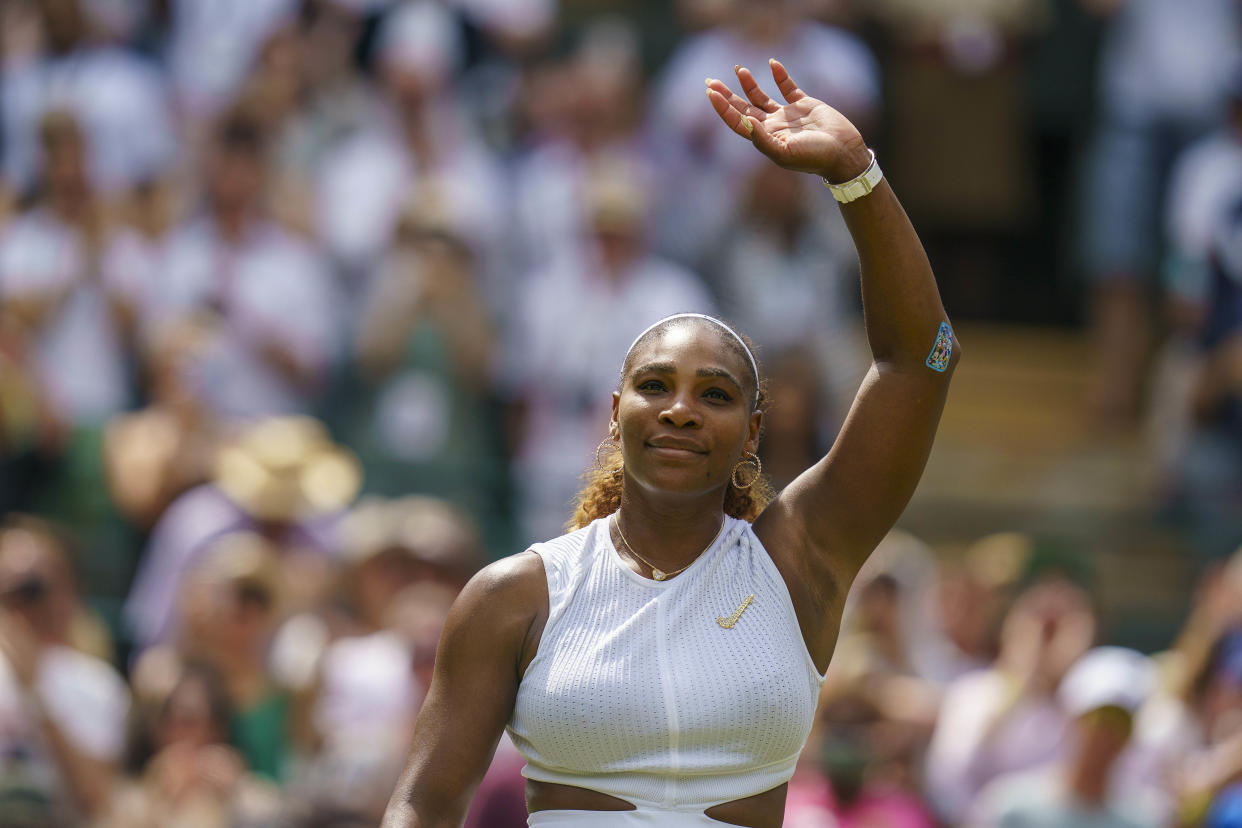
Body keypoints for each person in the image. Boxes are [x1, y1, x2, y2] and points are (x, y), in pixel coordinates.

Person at [382, 58, 959, 827]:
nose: (681, 409)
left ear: (752, 431)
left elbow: (921, 362)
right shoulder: (512, 598)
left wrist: (856, 174)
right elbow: (422, 803)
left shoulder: (798, 565)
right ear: (615, 411)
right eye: (656, 386)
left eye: (715, 395)